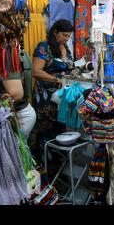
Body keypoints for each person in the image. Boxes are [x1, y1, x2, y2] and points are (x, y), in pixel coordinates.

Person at [30, 19, 74, 160]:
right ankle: (45, 167)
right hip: (46, 97)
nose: (67, 39)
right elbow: (36, 71)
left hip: (61, 96)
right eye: (64, 35)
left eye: (69, 36)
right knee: (46, 130)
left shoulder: (65, 48)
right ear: (55, 32)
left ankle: (60, 167)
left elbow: (69, 66)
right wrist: (57, 80)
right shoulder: (44, 47)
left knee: (61, 130)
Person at [0, 46, 36, 139]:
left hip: (20, 115)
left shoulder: (9, 55)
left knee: (16, 150)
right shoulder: (19, 52)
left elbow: (15, 95)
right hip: (22, 112)